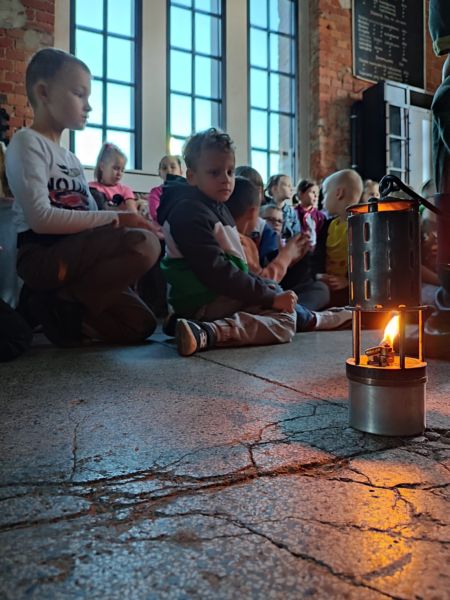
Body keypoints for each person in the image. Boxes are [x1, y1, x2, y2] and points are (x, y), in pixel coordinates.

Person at [5, 48, 161, 347]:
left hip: (79, 255)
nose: (88, 106)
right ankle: (62, 299)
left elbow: (91, 217)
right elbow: (41, 219)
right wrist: (121, 218)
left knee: (141, 325)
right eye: (79, 94)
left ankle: (60, 315)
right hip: (42, 254)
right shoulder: (27, 142)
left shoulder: (73, 160)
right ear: (43, 92)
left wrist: (126, 221)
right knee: (144, 244)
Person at [158, 127, 298, 356]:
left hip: (212, 294)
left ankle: (189, 325)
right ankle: (208, 332)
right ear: (191, 176)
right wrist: (270, 297)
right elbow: (217, 272)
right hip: (205, 299)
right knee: (284, 322)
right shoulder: (189, 212)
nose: (226, 180)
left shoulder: (213, 206)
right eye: (215, 173)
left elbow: (233, 265)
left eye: (230, 171)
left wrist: (267, 291)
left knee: (274, 291)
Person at [226, 177, 350, 329]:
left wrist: (293, 258)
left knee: (319, 289)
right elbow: (261, 283)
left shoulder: (241, 238)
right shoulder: (240, 242)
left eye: (279, 221)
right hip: (251, 302)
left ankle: (293, 313)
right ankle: (302, 317)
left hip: (266, 298)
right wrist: (286, 257)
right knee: (276, 290)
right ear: (254, 213)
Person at [311, 169, 363, 307]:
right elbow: (317, 257)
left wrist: (348, 281)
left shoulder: (363, 226)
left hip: (352, 289)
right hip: (326, 286)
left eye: (325, 193)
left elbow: (368, 263)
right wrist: (318, 275)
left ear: (339, 193)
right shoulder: (327, 226)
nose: (322, 200)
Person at [89, 142, 137, 212]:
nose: (119, 173)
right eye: (116, 168)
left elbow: (133, 213)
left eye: (122, 170)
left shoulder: (125, 190)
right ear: (102, 166)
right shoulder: (90, 187)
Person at [265, 173, 301, 240]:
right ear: (274, 189)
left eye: (291, 186)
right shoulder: (264, 211)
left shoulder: (292, 213)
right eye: (287, 185)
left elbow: (297, 234)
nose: (291, 189)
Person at [148, 155, 183, 221]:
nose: (169, 170)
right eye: (164, 168)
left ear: (181, 171)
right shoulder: (156, 192)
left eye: (173, 167)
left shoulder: (187, 190)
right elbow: (155, 214)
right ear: (160, 173)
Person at [294, 178, 324, 246]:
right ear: (301, 194)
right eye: (313, 192)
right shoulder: (293, 214)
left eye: (317, 193)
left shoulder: (320, 216)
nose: (316, 196)